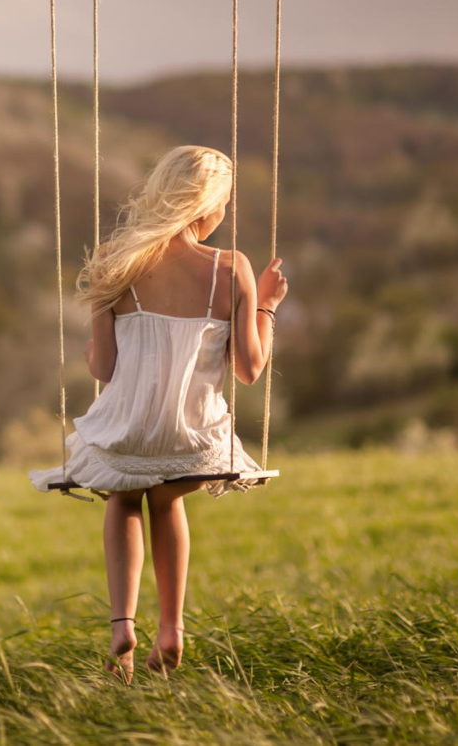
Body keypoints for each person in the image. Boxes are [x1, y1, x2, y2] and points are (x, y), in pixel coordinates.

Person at [29, 145, 288, 681]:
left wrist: (90, 352)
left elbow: (103, 367)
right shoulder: (230, 267)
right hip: (193, 434)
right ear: (209, 206)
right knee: (168, 502)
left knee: (124, 500)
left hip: (129, 428)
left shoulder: (114, 260)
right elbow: (249, 369)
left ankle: (123, 625)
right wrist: (265, 306)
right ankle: (172, 628)